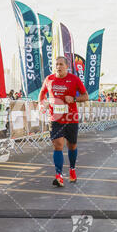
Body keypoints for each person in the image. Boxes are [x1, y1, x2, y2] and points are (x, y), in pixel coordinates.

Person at [38, 56, 89, 187]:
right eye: (56, 64)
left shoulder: (74, 79)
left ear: (67, 66)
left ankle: (72, 169)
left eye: (61, 64)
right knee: (58, 145)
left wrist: (74, 98)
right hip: (55, 118)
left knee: (72, 145)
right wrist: (41, 104)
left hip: (71, 118)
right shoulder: (49, 79)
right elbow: (42, 93)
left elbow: (85, 96)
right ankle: (59, 176)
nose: (58, 67)